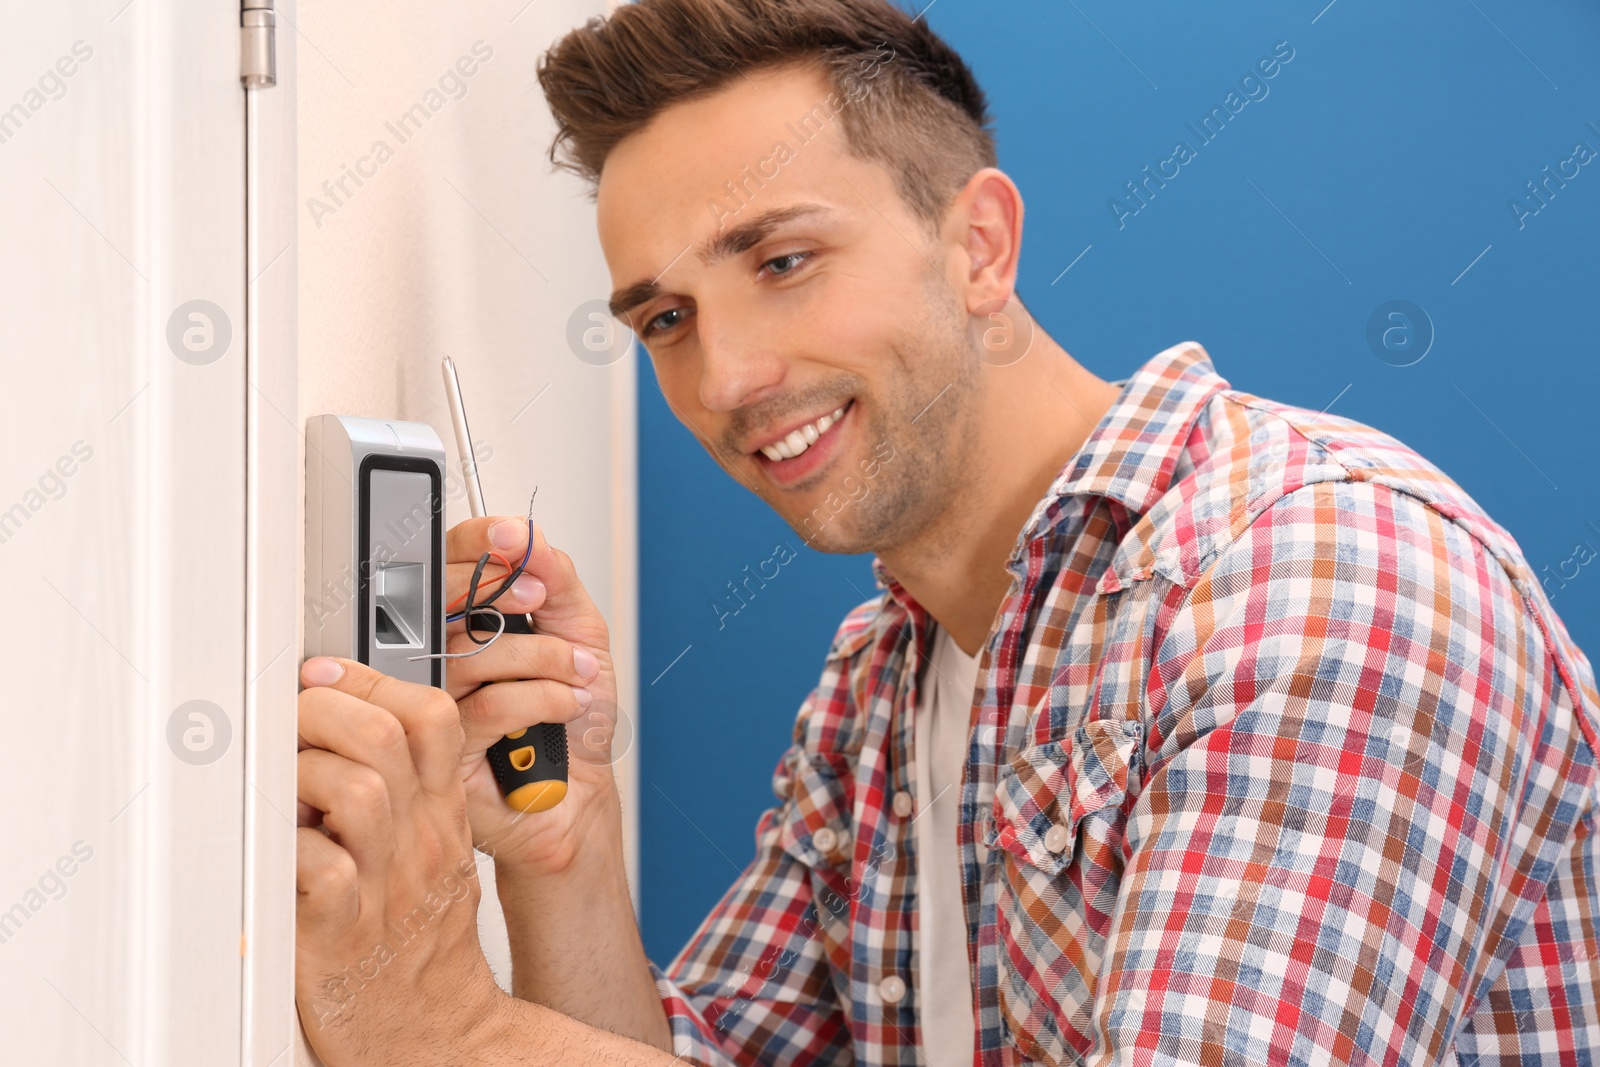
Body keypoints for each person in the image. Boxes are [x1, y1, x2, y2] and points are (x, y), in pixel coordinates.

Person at [292, 1, 1600, 1064]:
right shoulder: (880, 691)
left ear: (978, 244)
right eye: (667, 319)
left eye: (784, 260)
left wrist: (445, 1028)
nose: (729, 376)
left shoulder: (1319, 577)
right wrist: (562, 842)